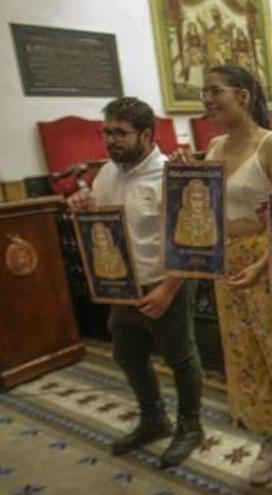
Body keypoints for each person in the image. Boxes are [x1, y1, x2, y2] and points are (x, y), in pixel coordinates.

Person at [67, 97, 204, 468]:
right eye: (107, 132)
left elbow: (192, 242)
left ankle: (191, 427)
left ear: (146, 134)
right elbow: (101, 223)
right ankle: (153, 418)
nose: (111, 140)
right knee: (127, 354)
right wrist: (82, 202)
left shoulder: (170, 175)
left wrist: (168, 289)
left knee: (180, 356)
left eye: (120, 133)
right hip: (122, 285)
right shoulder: (107, 173)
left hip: (166, 282)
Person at [201, 64, 272, 491]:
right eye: (204, 94)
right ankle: (271, 435)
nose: (208, 101)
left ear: (245, 96)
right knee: (242, 351)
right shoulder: (212, 147)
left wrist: (264, 263)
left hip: (268, 259)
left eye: (216, 91)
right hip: (225, 261)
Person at [173, 179, 218, 247]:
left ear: (205, 200)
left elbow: (213, 239)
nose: (197, 203)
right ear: (188, 200)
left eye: (200, 199)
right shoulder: (182, 214)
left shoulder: (210, 214)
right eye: (194, 199)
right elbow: (179, 238)